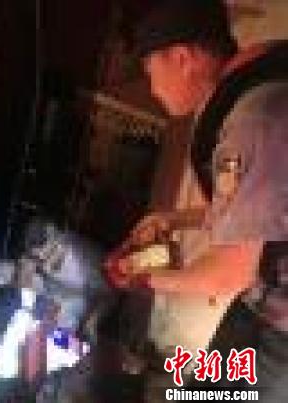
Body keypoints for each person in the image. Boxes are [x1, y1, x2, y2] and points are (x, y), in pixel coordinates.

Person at [105, 0, 288, 400]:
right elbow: (258, 213)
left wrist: (143, 278)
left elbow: (228, 275)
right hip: (261, 306)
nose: (152, 89)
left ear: (182, 59)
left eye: (150, 71)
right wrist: (175, 219)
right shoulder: (259, 95)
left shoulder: (253, 118)